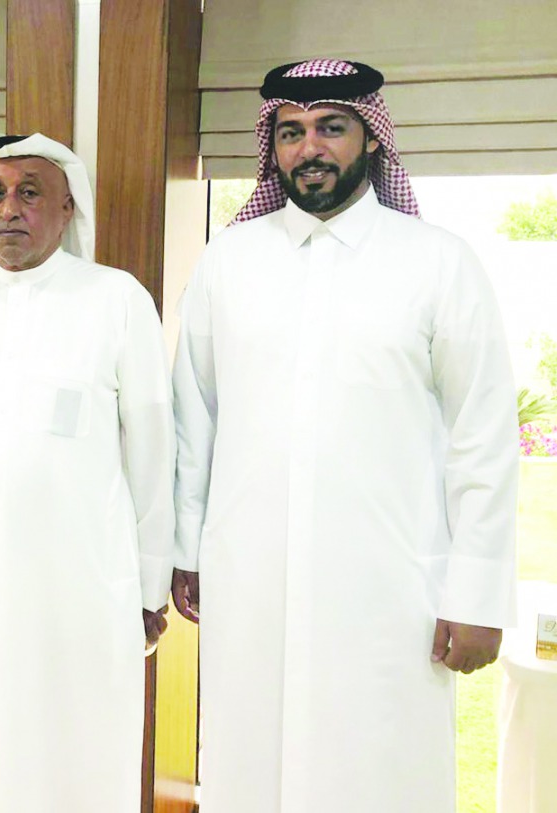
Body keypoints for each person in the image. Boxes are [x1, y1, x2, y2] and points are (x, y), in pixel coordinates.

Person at [171, 59, 519, 813]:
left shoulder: (438, 263)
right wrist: (184, 547)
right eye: (291, 133)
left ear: (371, 139)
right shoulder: (230, 260)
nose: (310, 149)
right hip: (250, 574)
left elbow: (482, 437)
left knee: (379, 763)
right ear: (272, 147)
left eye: (331, 127)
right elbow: (192, 416)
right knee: (247, 762)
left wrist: (479, 592)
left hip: (388, 587)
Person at [0, 132, 176, 813]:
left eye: (30, 192)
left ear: (66, 207)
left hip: (79, 584)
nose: (10, 209)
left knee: (74, 748)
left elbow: (151, 448)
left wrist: (149, 583)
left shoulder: (116, 299)